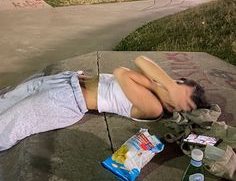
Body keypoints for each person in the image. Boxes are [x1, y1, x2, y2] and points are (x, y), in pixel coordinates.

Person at [0, 56, 209, 151]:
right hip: (67, 80)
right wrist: (169, 85)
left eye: (178, 93)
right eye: (177, 83)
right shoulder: (159, 85)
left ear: (176, 108)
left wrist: (162, 87)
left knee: (9, 125)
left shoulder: (154, 108)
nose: (172, 87)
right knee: (7, 100)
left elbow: (122, 73)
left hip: (66, 100)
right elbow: (141, 60)